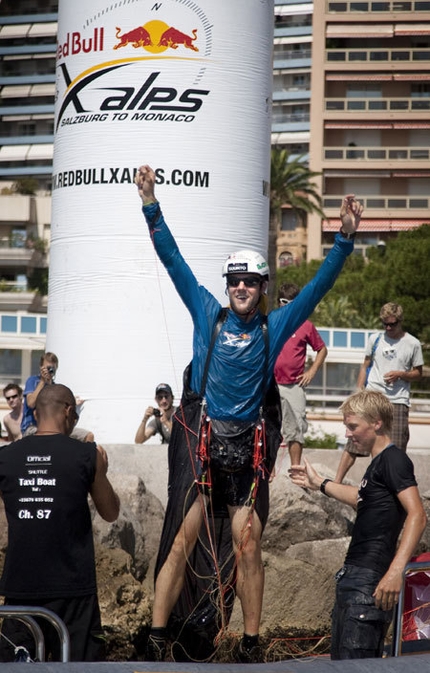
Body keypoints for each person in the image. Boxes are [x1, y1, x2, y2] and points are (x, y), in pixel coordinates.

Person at [135, 164, 362, 663]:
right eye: (235, 280)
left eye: (250, 281)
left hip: (246, 452)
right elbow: (172, 261)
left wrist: (344, 239)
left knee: (250, 546)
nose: (241, 287)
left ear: (262, 286)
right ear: (228, 284)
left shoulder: (275, 327)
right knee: (181, 542)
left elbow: (316, 289)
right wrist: (150, 203)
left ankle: (252, 642)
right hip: (205, 447)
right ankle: (154, 634)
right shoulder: (205, 313)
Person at [289, 389, 426, 660]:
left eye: (353, 427)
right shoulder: (378, 464)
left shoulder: (394, 459)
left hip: (369, 580)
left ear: (376, 422)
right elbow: (361, 498)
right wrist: (321, 484)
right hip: (353, 578)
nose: (348, 434)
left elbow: (418, 515)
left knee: (357, 666)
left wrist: (396, 572)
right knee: (341, 662)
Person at [0, 383, 120, 662]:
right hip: (74, 591)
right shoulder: (88, 455)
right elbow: (111, 512)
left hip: (21, 587)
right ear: (68, 411)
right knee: (81, 669)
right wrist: (102, 469)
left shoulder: (5, 458)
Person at [334, 302, 423, 484]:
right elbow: (365, 365)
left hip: (397, 401)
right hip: (373, 398)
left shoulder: (412, 343)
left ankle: (392, 488)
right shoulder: (375, 339)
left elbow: (418, 373)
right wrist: (358, 392)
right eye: (385, 324)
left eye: (392, 324)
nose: (389, 328)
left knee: (396, 449)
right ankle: (336, 482)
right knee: (353, 443)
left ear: (400, 321)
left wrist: (401, 374)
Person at [274, 283, 327, 465]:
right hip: (270, 384)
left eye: (292, 302)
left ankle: (295, 468)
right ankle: (268, 471)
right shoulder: (271, 321)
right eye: (284, 301)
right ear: (278, 302)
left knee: (295, 429)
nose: (287, 305)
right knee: (267, 429)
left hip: (293, 386)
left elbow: (322, 350)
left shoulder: (306, 325)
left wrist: (312, 371)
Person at [21, 352, 94, 443]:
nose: (50, 371)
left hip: (53, 429)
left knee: (87, 436)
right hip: (32, 427)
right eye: (47, 368)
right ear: (41, 367)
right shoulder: (33, 381)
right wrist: (43, 382)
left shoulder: (55, 387)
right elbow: (31, 403)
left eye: (52, 368)